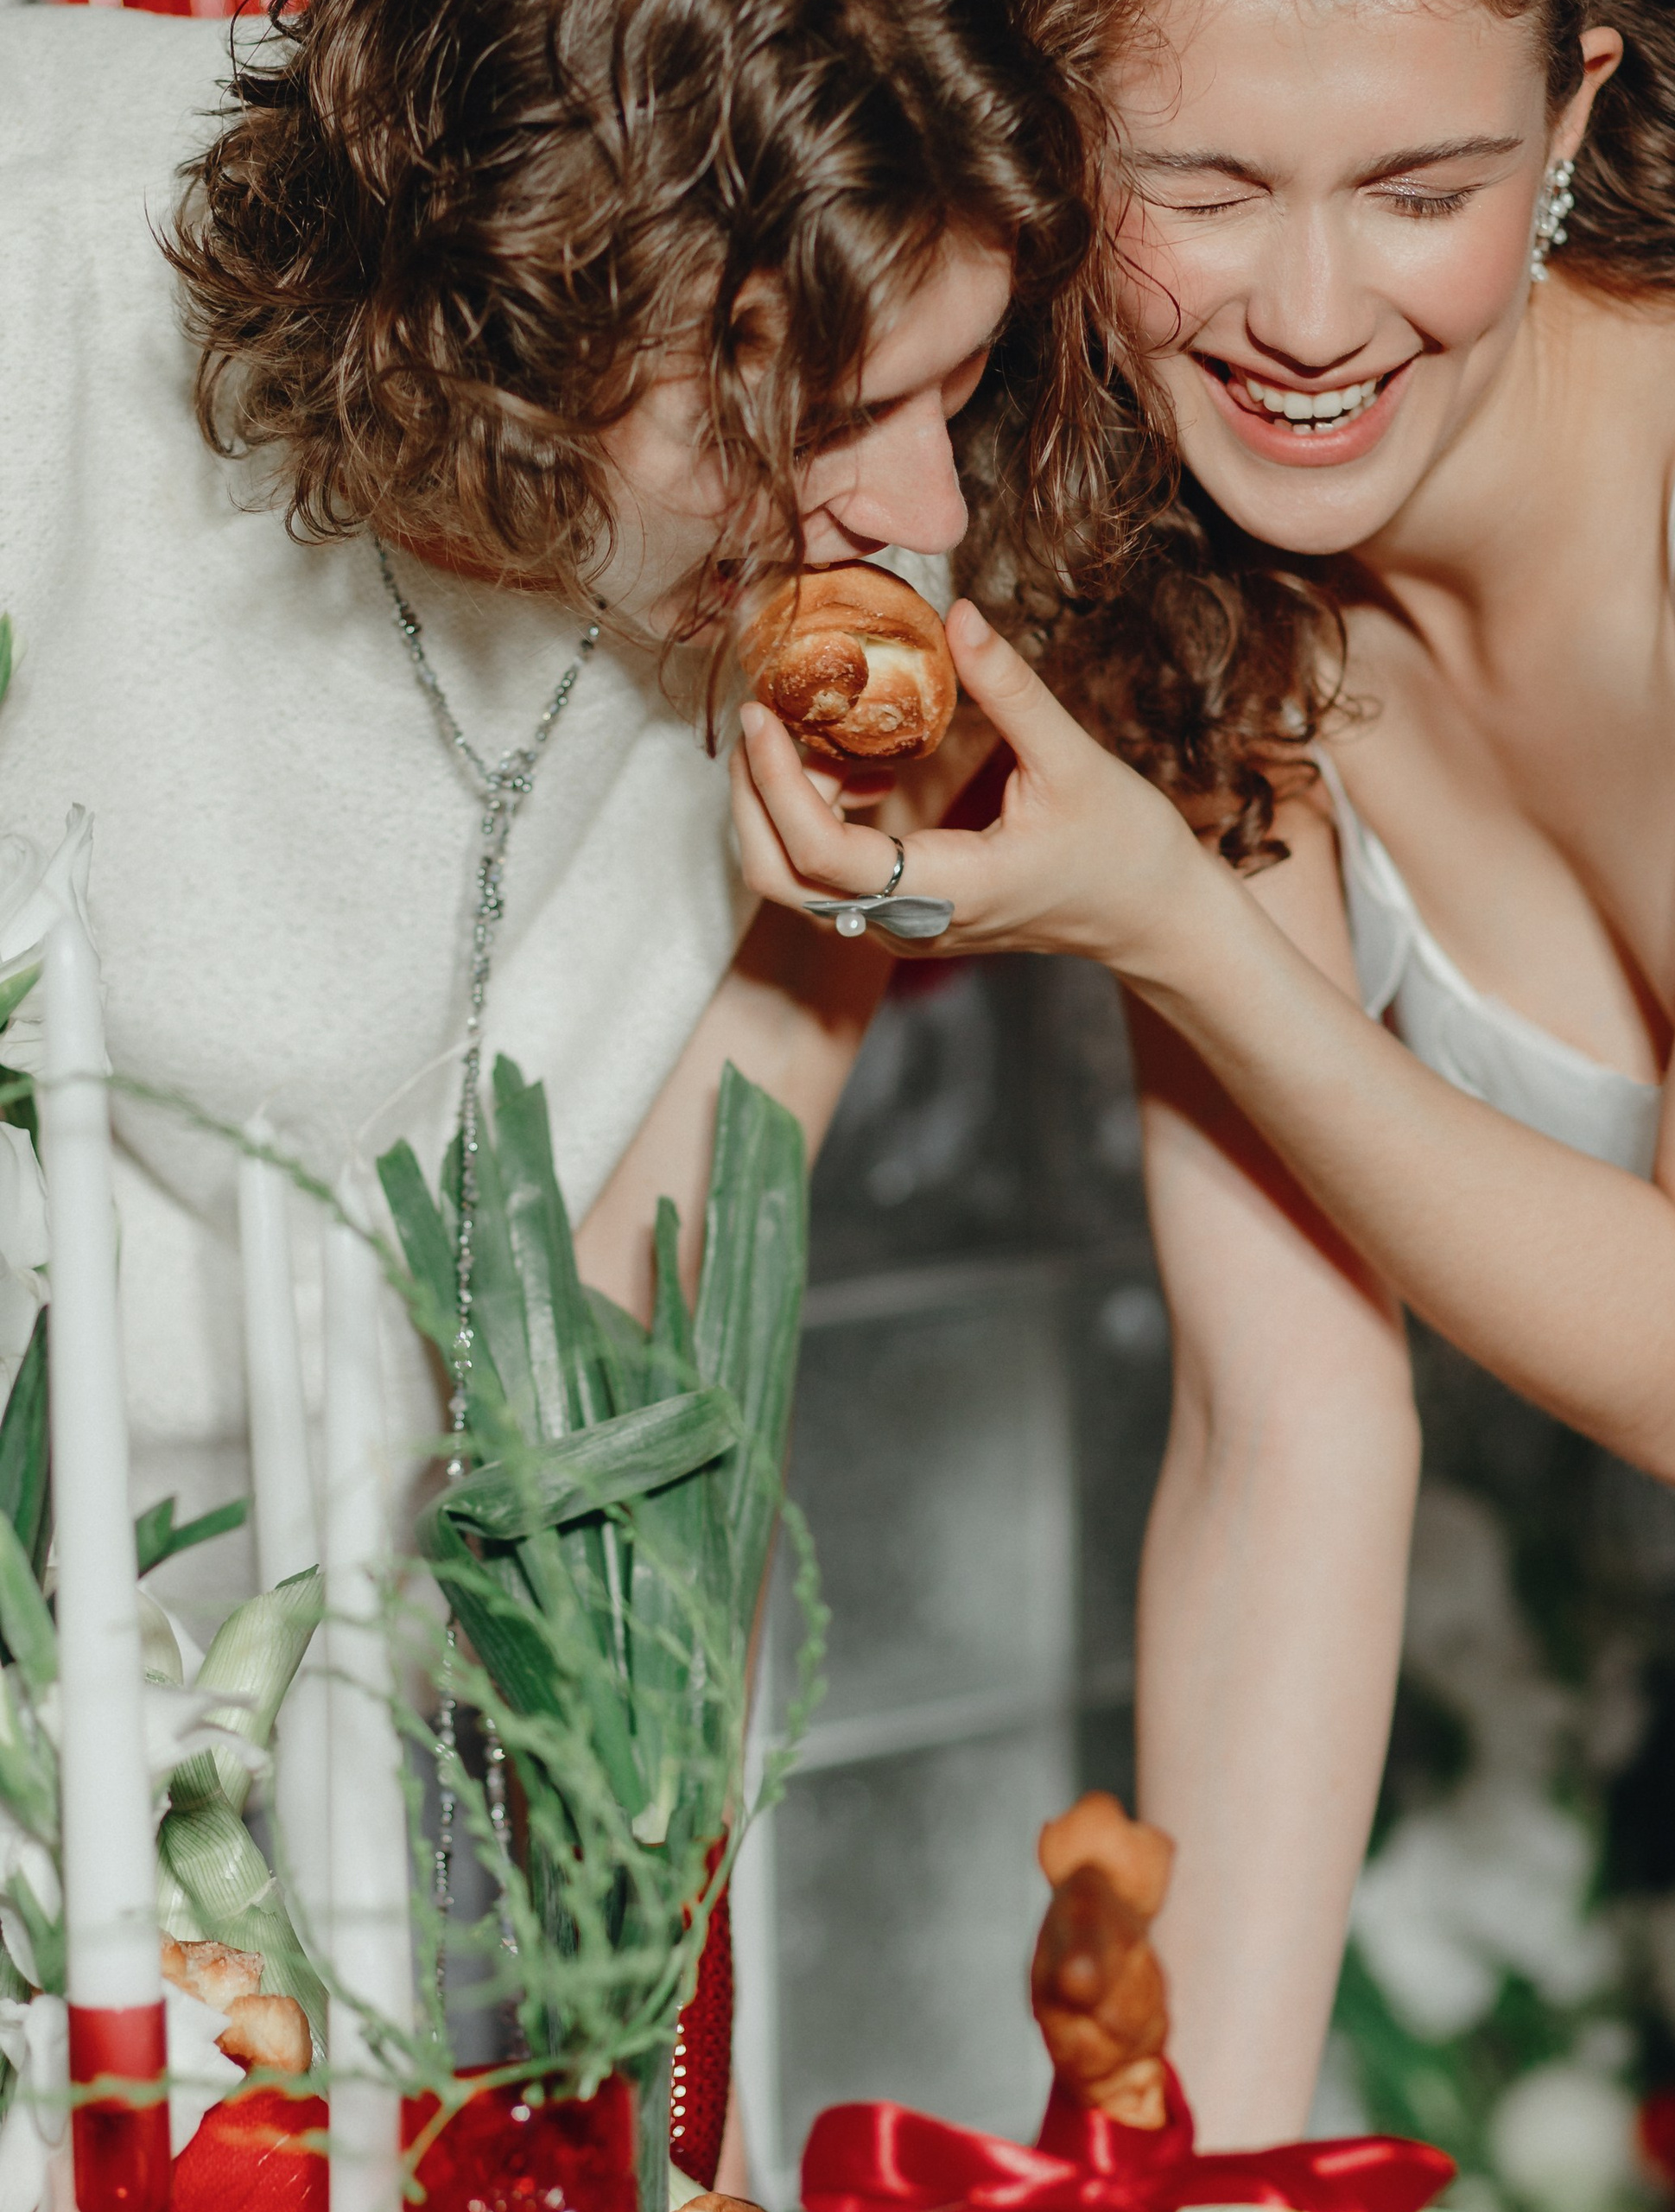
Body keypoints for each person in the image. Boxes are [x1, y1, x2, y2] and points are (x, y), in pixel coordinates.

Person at [731, 0, 1675, 2199]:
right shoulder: (1211, 618)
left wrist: (1171, 921)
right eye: (1204, 192)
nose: (1312, 315)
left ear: (1572, 112)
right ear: (1052, 153)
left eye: (1418, 192)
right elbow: (1282, 1434)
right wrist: (1175, 2164)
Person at [0, 0, 1117, 2184]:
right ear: (527, 294)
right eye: (832, 413)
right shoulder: (43, 263)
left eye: (959, 387)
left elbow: (644, 1339)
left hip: (403, 1724)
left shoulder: (858, 584)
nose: (926, 506)